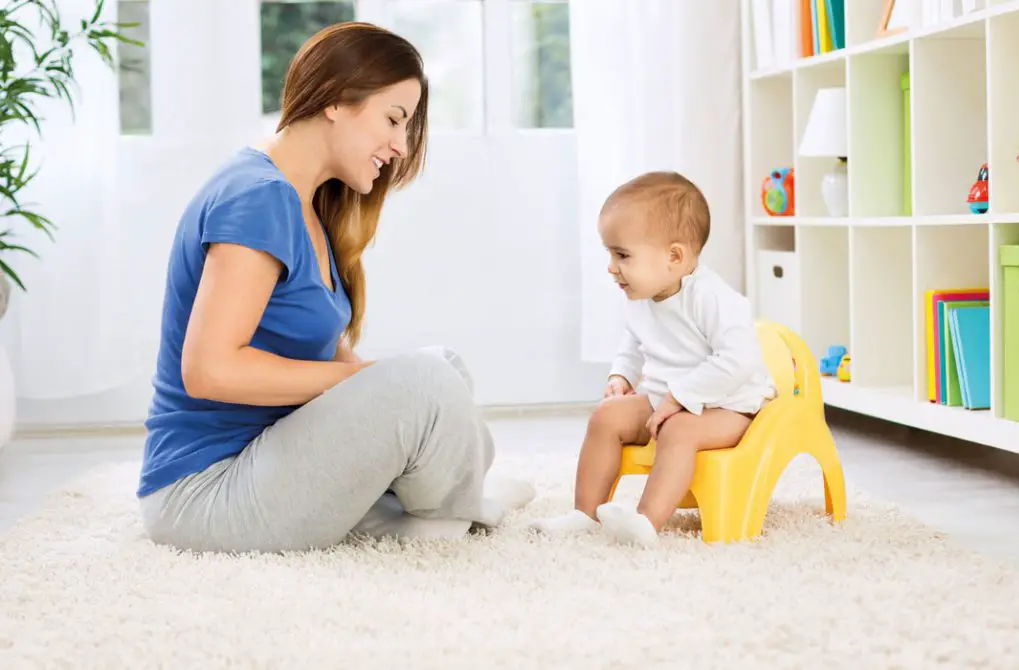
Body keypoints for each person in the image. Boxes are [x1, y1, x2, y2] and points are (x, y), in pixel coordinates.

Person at [138, 22, 534, 554]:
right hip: (205, 492)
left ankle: (429, 507)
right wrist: (380, 381)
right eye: (394, 119)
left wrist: (383, 382)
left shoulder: (303, 203)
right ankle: (443, 517)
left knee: (443, 367)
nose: (399, 145)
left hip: (268, 457)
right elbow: (210, 370)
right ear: (337, 100)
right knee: (426, 382)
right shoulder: (258, 197)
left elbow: (324, 356)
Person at [530, 171, 776, 547]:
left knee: (679, 430)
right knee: (606, 417)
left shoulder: (712, 299)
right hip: (666, 400)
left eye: (622, 255)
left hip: (727, 407)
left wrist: (680, 397)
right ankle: (586, 512)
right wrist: (622, 376)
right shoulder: (643, 295)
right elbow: (635, 340)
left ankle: (647, 522)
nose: (611, 266)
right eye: (610, 254)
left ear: (674, 257)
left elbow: (738, 361)